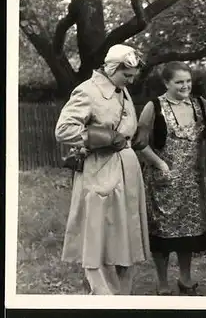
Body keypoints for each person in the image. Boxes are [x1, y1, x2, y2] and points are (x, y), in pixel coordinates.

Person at [55, 44, 150, 295]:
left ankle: (121, 295)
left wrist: (137, 132)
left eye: (132, 76)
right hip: (101, 170)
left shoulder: (122, 91)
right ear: (111, 69)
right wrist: (104, 137)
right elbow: (63, 129)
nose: (130, 81)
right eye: (125, 75)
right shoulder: (88, 91)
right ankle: (102, 294)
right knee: (98, 233)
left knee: (123, 236)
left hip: (127, 170)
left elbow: (123, 124)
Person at [134, 61, 206, 296]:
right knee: (163, 236)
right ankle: (162, 282)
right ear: (166, 83)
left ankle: (186, 279)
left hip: (191, 182)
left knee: (188, 235)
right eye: (179, 82)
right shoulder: (154, 107)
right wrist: (160, 164)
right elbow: (138, 143)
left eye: (188, 81)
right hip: (163, 182)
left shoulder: (200, 104)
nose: (185, 86)